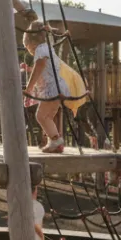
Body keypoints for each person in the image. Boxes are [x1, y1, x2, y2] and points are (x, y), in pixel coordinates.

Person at [22, 24, 70, 153]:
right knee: (48, 116)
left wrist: (29, 88)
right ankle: (54, 142)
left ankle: (56, 140)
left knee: (41, 116)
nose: (29, 52)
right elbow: (44, 69)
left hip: (52, 89)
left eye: (28, 48)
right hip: (57, 88)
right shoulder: (47, 48)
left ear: (31, 43)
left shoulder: (41, 49)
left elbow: (40, 66)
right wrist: (29, 70)